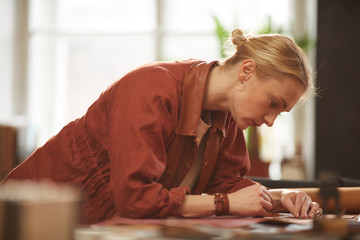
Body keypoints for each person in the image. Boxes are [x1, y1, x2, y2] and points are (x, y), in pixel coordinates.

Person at [2, 28, 322, 224]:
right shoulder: (152, 90)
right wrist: (224, 203)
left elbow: (224, 185)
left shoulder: (228, 117)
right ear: (246, 71)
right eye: (274, 104)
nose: (269, 121)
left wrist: (281, 198)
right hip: (27, 223)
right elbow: (135, 198)